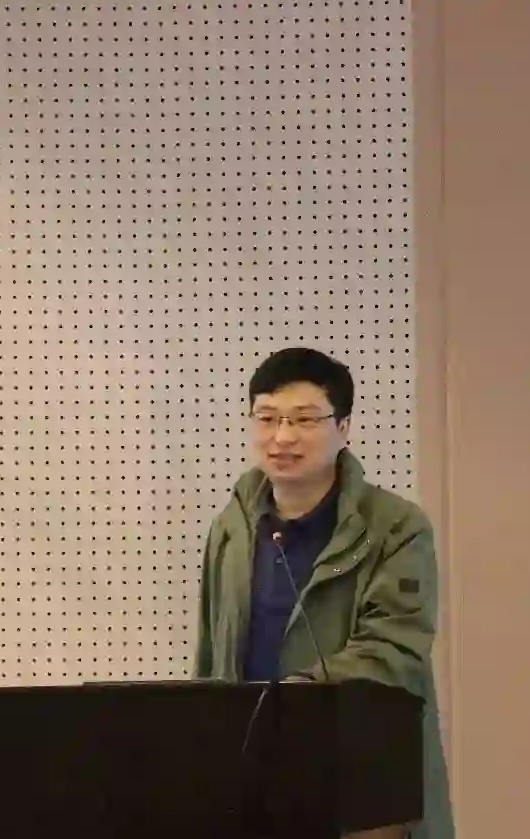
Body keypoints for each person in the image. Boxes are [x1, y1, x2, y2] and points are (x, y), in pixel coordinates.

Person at [191, 347, 454, 839]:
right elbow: (210, 656)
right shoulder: (231, 528)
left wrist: (294, 697)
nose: (282, 436)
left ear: (344, 427)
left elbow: (394, 649)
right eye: (267, 418)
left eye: (305, 419)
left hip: (359, 785)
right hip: (252, 782)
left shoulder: (395, 527)